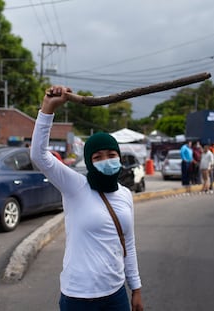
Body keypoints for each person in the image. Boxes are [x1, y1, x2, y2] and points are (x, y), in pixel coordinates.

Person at [30, 86, 143, 311]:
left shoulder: (124, 194)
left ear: (119, 157)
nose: (106, 160)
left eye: (111, 155)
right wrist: (48, 108)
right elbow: (39, 155)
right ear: (89, 162)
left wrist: (136, 288)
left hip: (116, 294)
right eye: (97, 157)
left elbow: (127, 243)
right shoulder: (75, 187)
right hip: (78, 297)